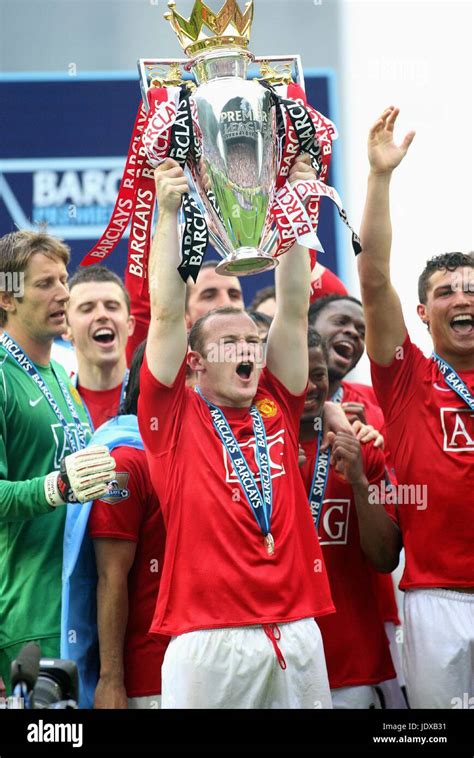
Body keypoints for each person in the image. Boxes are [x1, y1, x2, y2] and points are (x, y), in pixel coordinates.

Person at [137, 155, 355, 709]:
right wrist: (167, 212)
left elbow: (294, 310)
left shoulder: (276, 400)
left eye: (253, 343)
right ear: (193, 364)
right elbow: (164, 316)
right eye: (228, 343)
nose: (247, 351)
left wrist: (300, 205)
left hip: (299, 630)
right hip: (207, 638)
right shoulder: (172, 418)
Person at [358, 105, 474, 708]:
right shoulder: (405, 378)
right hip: (438, 600)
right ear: (424, 314)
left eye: (471, 289)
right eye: (445, 292)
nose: (462, 298)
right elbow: (374, 277)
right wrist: (380, 179)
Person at [0, 230, 115, 692]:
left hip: (78, 606)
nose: (64, 293)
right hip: (27, 617)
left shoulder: (63, 377)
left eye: (64, 280)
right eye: (45, 283)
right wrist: (54, 488)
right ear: (6, 296)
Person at [308, 293, 406, 707]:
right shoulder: (259, 437)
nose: (352, 332)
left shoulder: (373, 419)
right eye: (341, 321)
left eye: (361, 330)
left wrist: (365, 475)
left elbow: (395, 529)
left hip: (367, 624)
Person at [88, 341, 168, 709]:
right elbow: (110, 576)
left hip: (213, 666)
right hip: (150, 681)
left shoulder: (206, 453)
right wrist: (111, 681)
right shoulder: (126, 462)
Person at [66, 265, 135, 428]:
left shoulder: (152, 399)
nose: (102, 315)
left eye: (112, 307)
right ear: (66, 328)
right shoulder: (54, 403)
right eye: (87, 309)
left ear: (130, 325)